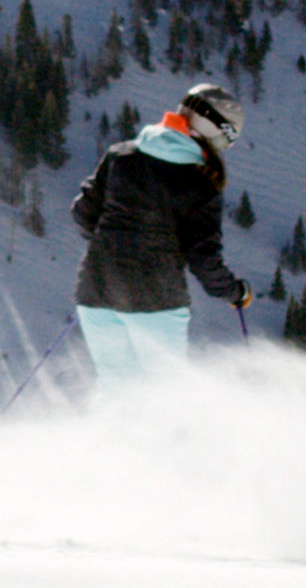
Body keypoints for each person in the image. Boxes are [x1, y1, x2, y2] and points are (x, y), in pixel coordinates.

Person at [69, 82, 252, 385]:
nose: (224, 145)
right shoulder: (201, 184)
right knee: (160, 398)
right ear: (214, 129)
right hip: (156, 300)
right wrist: (236, 292)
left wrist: (114, 249)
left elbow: (82, 213)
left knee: (115, 389)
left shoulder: (120, 156)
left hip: (96, 292)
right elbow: (204, 260)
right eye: (228, 136)